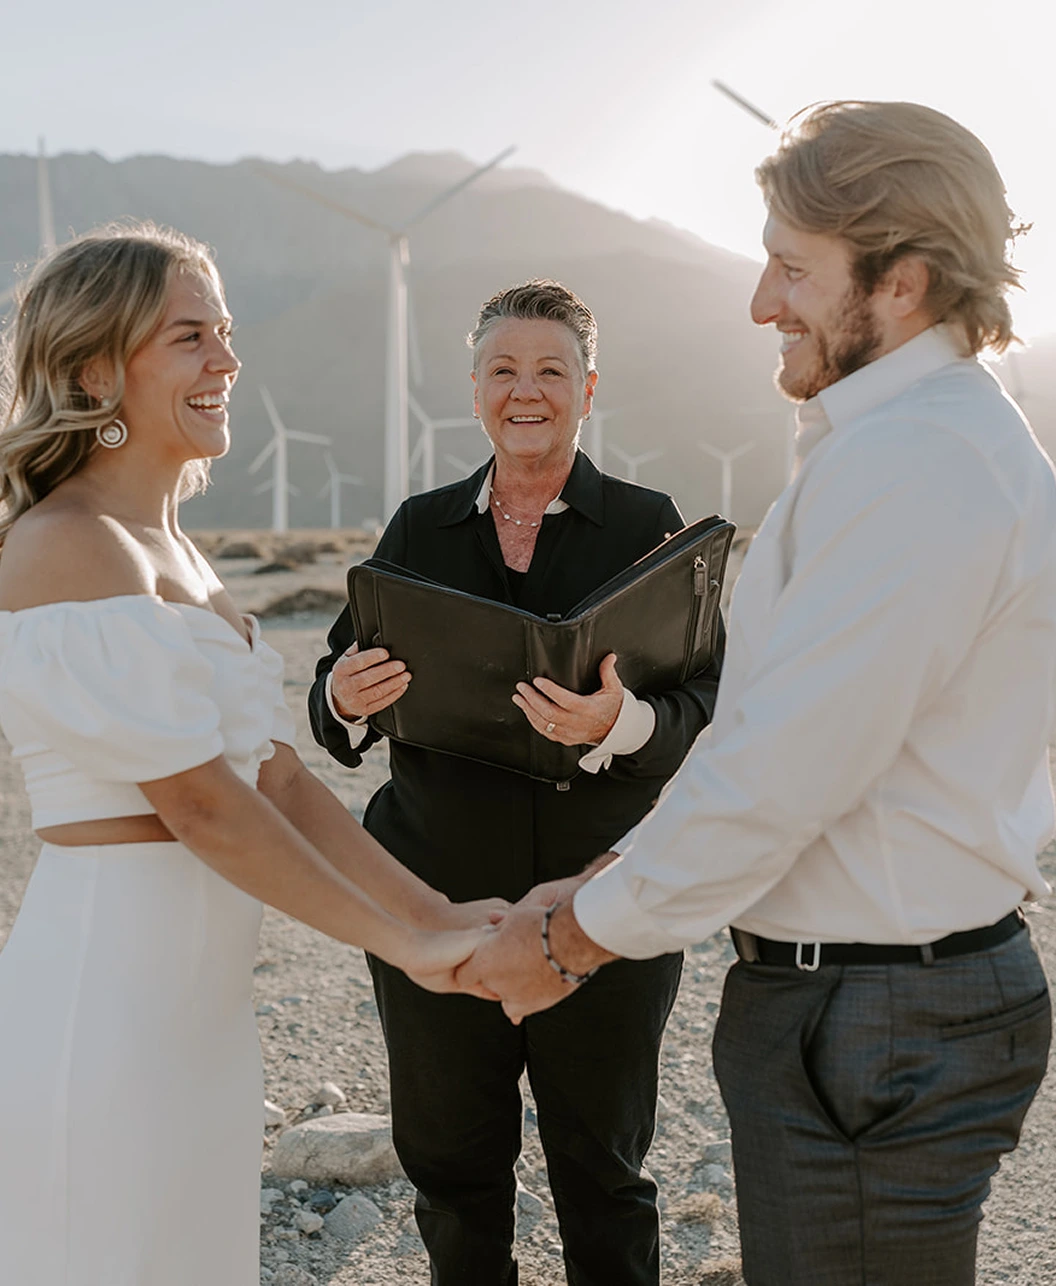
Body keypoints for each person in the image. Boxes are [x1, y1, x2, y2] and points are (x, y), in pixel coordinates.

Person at [463, 102, 1055, 1286]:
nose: (758, 301)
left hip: (878, 1014)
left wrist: (572, 936)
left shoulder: (919, 464)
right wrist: (600, 883)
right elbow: (772, 742)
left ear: (905, 283)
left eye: (792, 267)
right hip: (865, 999)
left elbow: (783, 771)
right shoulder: (900, 446)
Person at [0, 223, 501, 1286]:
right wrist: (405, 950)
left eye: (225, 333)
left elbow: (277, 779)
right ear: (95, 367)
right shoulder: (66, 543)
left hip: (201, 1010)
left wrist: (436, 916)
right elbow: (202, 807)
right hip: (110, 993)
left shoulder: (182, 553)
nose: (228, 360)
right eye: (191, 336)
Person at [309, 279, 724, 1286]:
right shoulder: (417, 527)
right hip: (433, 893)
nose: (524, 389)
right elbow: (329, 706)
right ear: (475, 386)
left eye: (550, 369)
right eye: (503, 369)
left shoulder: (648, 524)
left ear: (589, 389)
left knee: (604, 1166)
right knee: (451, 1165)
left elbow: (706, 709)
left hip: (603, 899)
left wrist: (617, 721)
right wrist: (347, 694)